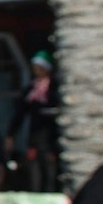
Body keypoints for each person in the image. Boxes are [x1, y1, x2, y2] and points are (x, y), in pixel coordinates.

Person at [11, 52, 62, 192]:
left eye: (39, 67)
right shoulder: (30, 90)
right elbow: (20, 114)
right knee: (35, 178)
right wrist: (11, 135)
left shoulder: (55, 88)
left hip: (51, 141)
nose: (36, 71)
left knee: (51, 177)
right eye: (34, 67)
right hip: (34, 141)